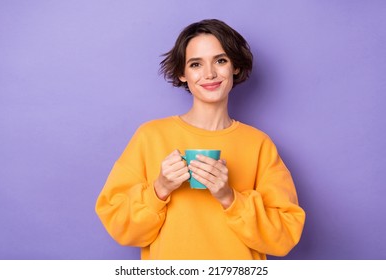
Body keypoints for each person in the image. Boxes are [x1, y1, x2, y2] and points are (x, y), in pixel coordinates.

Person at [95, 19, 305, 260]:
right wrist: (160, 189)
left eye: (221, 60)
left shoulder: (258, 144)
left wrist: (230, 198)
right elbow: (121, 228)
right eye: (196, 64)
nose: (210, 73)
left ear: (235, 67)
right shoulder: (150, 136)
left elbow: (285, 235)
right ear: (182, 74)